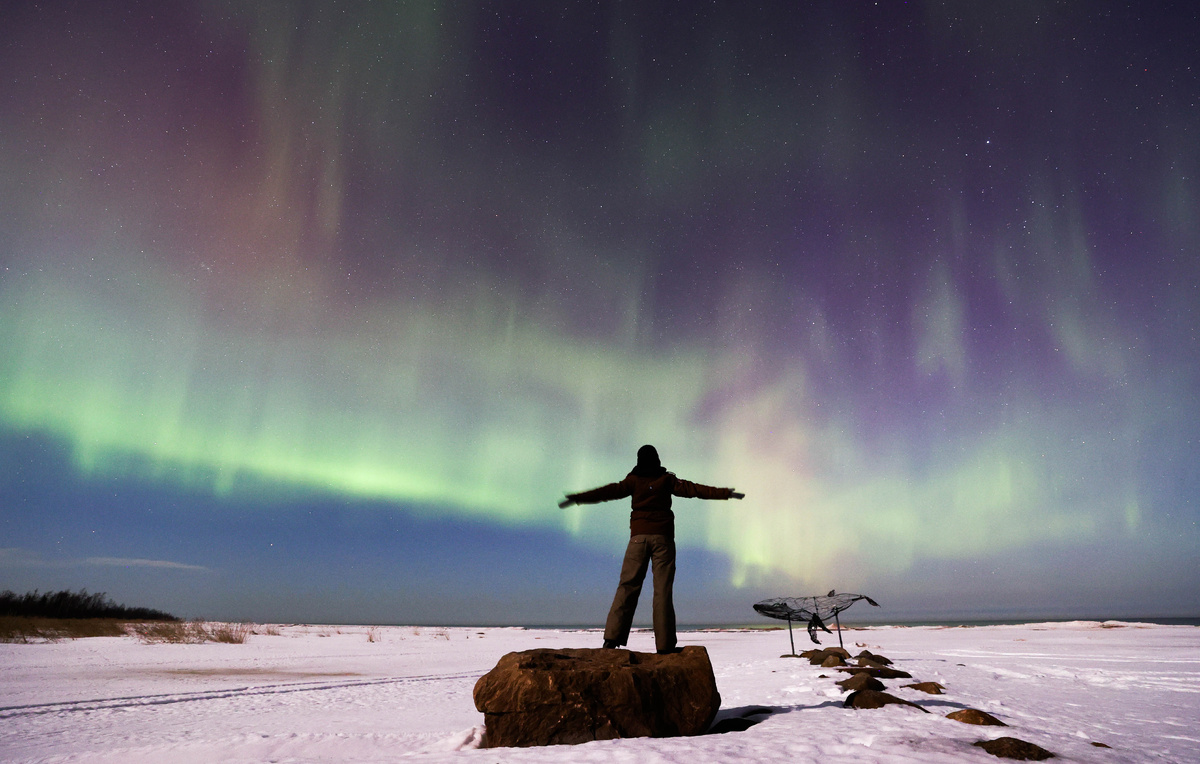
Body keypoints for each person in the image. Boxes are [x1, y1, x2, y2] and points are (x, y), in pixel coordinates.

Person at [559, 445, 744, 654]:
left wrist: (579, 498)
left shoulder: (633, 480)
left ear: (638, 460)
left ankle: (612, 639)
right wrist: (726, 493)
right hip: (663, 539)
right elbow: (695, 490)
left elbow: (608, 491)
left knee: (627, 586)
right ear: (657, 459)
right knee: (662, 591)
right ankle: (665, 646)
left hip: (637, 539)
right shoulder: (667, 480)